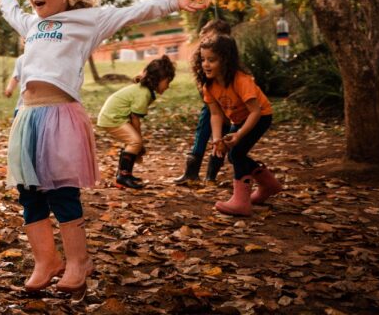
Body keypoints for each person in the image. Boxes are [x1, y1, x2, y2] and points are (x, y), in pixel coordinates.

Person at [0, 0, 204, 293]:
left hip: (60, 116)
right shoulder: (33, 24)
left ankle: (78, 261)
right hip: (28, 117)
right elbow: (13, 12)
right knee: (29, 193)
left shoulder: (88, 20)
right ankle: (46, 260)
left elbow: (130, 14)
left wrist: (171, 2)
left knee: (61, 192)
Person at [199, 35, 282, 216]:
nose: (205, 64)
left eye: (211, 60)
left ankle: (241, 203)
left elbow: (256, 112)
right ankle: (269, 185)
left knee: (236, 153)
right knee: (235, 153)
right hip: (239, 120)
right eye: (203, 59)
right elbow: (215, 114)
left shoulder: (241, 81)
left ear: (226, 60)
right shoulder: (209, 86)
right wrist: (217, 138)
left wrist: (239, 134)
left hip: (260, 117)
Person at [97, 55, 176, 189]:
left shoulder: (144, 90)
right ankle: (123, 176)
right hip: (112, 118)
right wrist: (139, 140)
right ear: (158, 80)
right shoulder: (143, 93)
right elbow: (135, 118)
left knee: (134, 143)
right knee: (135, 142)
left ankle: (125, 174)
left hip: (114, 117)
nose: (168, 86)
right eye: (167, 82)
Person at [173, 19, 232, 184]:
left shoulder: (229, 58)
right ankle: (191, 174)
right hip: (211, 103)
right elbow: (203, 86)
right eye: (204, 37)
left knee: (222, 136)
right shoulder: (201, 58)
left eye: (209, 36)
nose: (205, 40)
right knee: (203, 130)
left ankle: (211, 176)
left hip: (229, 105)